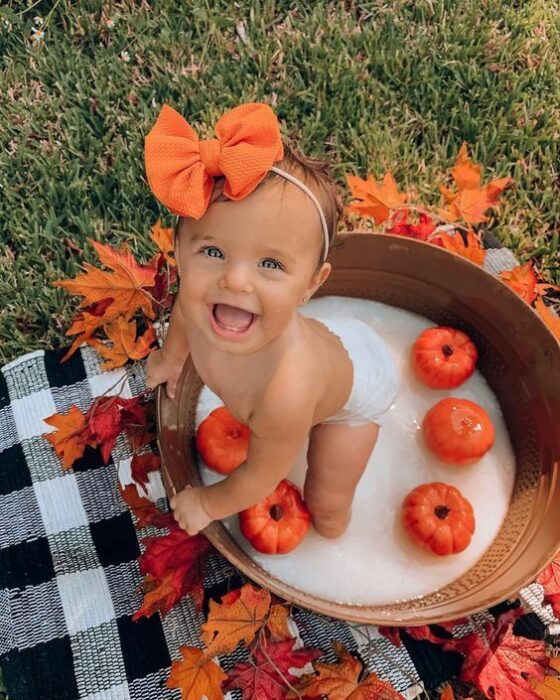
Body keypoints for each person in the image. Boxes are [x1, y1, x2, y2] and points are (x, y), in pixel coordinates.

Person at [145, 103, 397, 540]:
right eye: (213, 252)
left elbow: (259, 478)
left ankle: (342, 550)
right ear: (180, 251)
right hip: (332, 341)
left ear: (310, 285)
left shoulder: (285, 392)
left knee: (326, 504)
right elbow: (185, 318)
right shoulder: (196, 301)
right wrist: (170, 360)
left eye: (270, 263)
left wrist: (206, 501)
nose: (235, 281)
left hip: (358, 394)